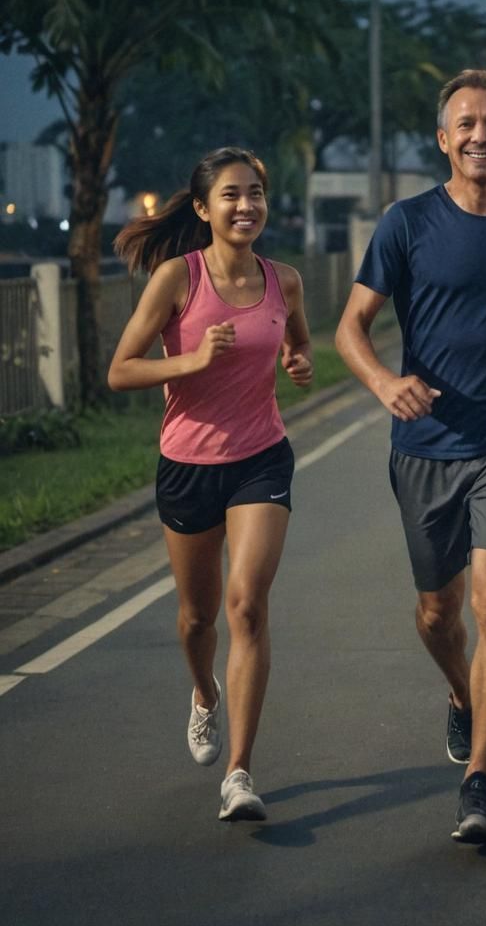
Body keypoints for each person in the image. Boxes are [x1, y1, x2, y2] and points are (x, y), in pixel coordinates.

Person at [335, 69, 486, 845]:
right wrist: (383, 382)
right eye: (466, 123)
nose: (481, 135)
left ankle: (480, 782)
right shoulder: (405, 223)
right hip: (425, 445)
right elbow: (350, 326)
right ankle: (459, 691)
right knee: (439, 614)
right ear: (444, 139)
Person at [108, 147, 313, 821]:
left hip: (262, 457)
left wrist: (299, 359)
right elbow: (121, 370)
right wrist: (192, 360)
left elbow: (298, 340)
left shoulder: (285, 280)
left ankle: (240, 773)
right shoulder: (177, 278)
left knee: (246, 605)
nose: (246, 205)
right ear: (203, 208)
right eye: (230, 195)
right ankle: (204, 695)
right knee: (197, 620)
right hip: (188, 464)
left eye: (255, 192)